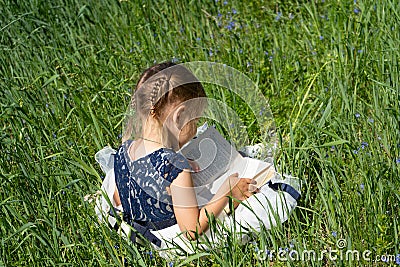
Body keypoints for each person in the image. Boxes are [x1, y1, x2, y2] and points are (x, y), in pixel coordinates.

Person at [95, 62, 300, 258]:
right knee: (265, 203)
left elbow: (126, 194)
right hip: (169, 242)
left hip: (137, 226)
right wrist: (228, 192)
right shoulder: (174, 168)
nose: (196, 126)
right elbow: (192, 231)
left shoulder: (126, 149)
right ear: (179, 117)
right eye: (196, 120)